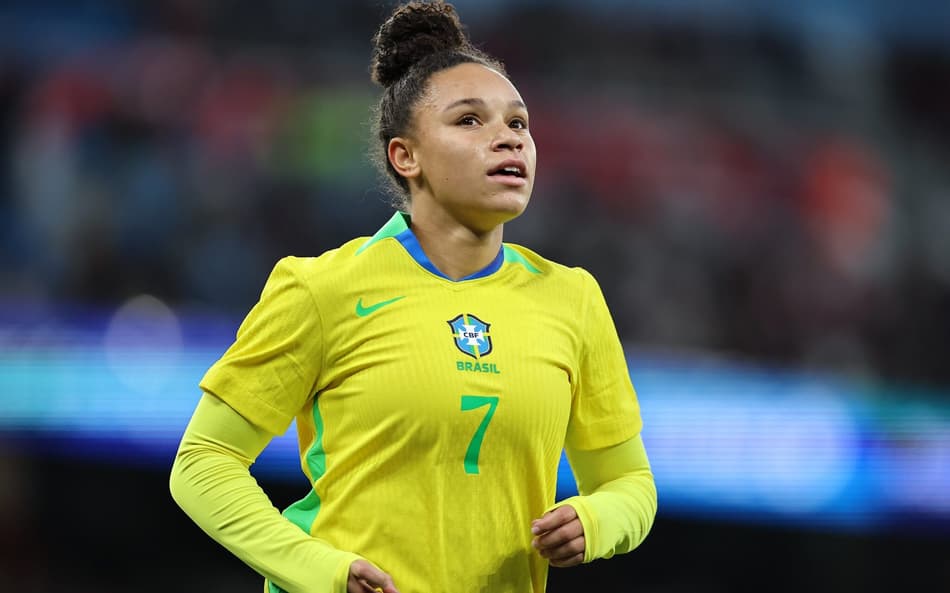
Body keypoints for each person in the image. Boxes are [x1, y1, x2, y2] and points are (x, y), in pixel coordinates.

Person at [169, 2, 657, 592]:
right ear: (406, 156)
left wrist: (596, 521)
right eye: (469, 120)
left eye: (519, 124)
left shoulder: (571, 298)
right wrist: (319, 571)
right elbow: (203, 462)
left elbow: (630, 484)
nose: (508, 139)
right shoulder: (323, 287)